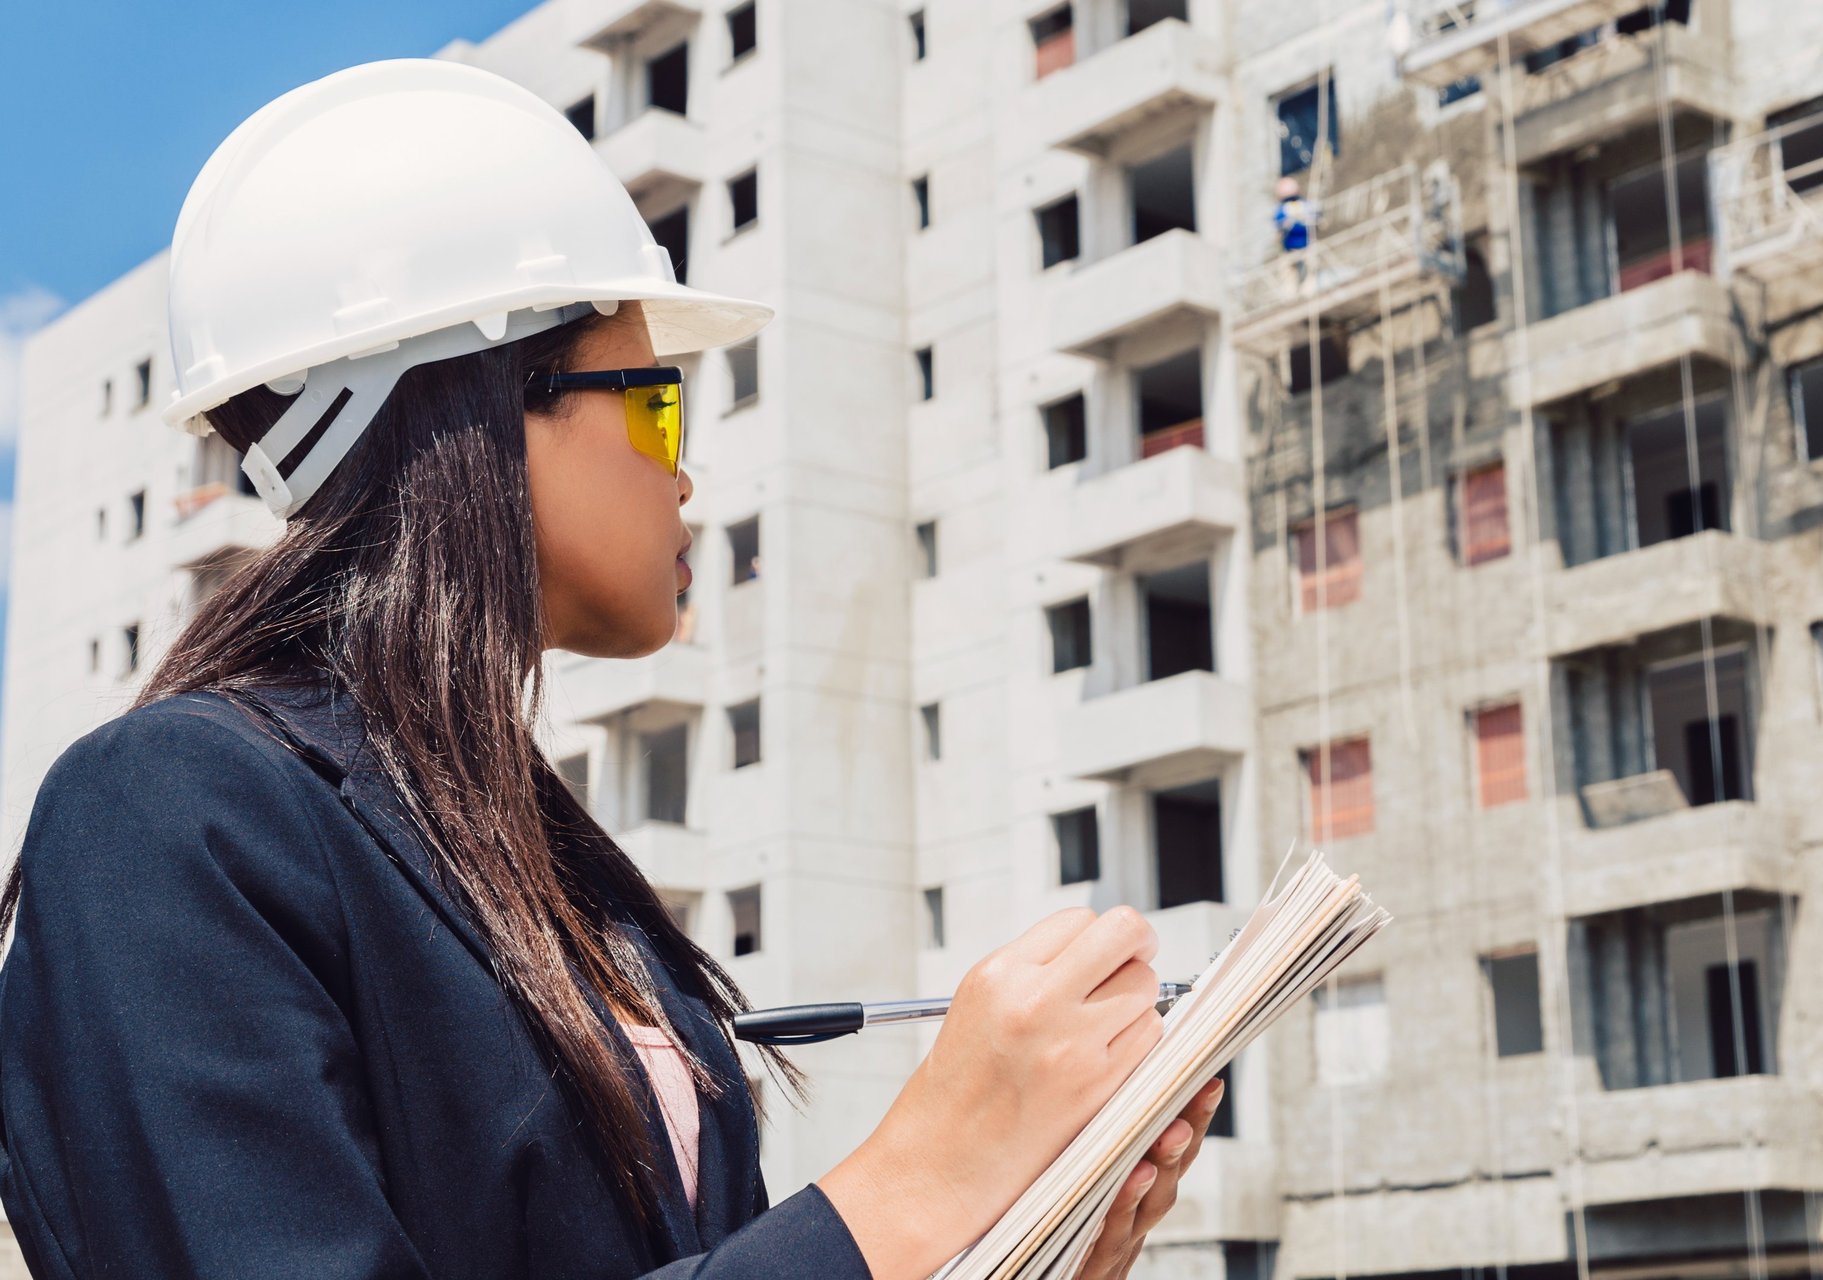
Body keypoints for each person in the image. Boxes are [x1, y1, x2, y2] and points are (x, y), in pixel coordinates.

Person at [0, 58, 1224, 1280]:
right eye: (660, 404)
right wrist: (917, 1182)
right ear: (485, 403)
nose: (688, 470)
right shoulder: (170, 815)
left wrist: (1007, 1248)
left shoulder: (563, 883)